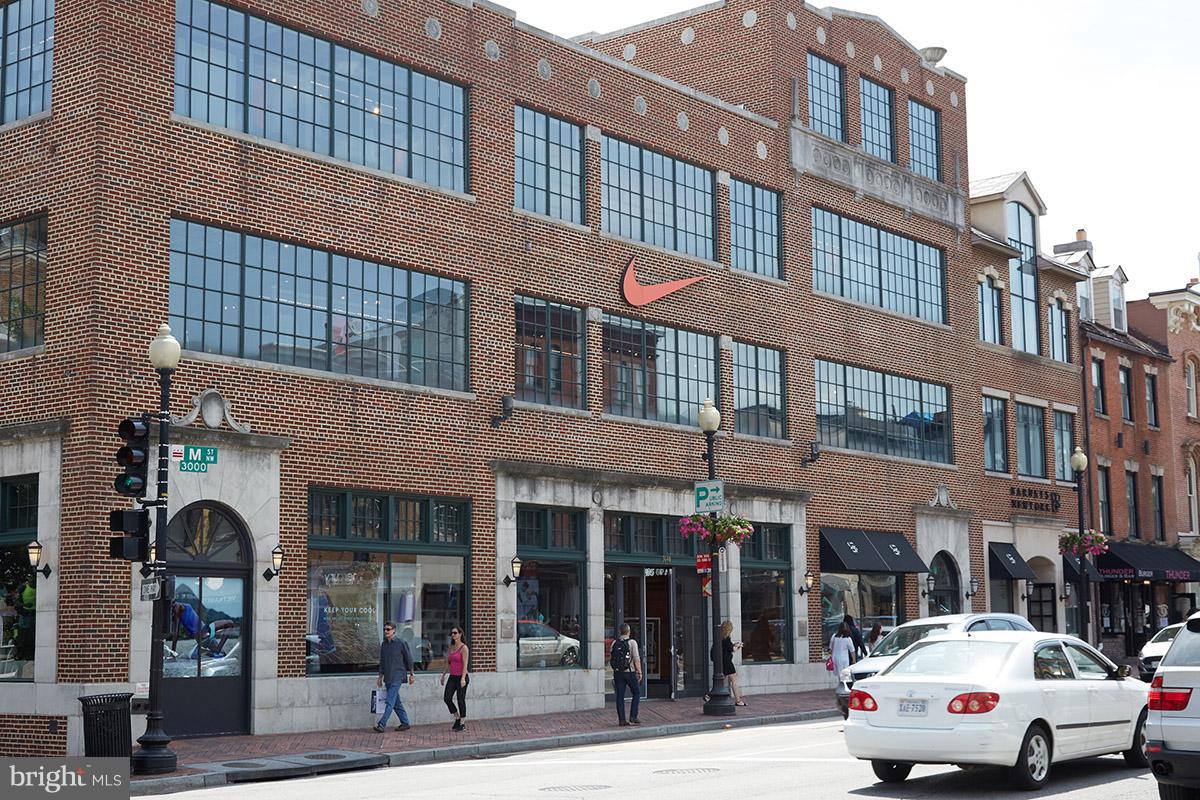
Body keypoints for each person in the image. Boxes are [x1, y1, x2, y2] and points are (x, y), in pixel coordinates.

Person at [374, 621, 414, 732]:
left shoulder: (401, 643)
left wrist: (412, 674)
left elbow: (409, 659)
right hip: (388, 676)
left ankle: (382, 724)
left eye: (388, 629)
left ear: (394, 630)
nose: (386, 631)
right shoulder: (384, 645)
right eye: (384, 629)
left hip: (398, 676)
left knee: (390, 701)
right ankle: (405, 723)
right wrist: (380, 677)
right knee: (396, 702)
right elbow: (382, 662)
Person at [611, 622, 642, 726]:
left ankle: (622, 720)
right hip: (629, 672)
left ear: (620, 632)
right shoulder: (632, 642)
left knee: (620, 696)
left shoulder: (614, 643)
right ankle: (633, 716)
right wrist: (639, 672)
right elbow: (636, 659)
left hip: (618, 673)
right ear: (628, 631)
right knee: (636, 693)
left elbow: (612, 657)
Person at [440, 625, 470, 731]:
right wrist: (443, 675)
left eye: (455, 633)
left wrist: (463, 678)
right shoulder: (451, 647)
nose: (453, 635)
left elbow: (465, 664)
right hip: (452, 677)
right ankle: (457, 717)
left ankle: (462, 722)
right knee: (447, 698)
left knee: (460, 699)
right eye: (452, 633)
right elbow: (448, 663)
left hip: (462, 676)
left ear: (460, 634)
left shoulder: (464, 648)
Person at [717, 620, 746, 707]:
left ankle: (708, 696)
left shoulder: (720, 637)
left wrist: (735, 645)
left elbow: (728, 647)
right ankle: (738, 700)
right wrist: (738, 646)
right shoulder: (726, 638)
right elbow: (731, 649)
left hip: (723, 661)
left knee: (722, 679)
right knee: (733, 679)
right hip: (727, 662)